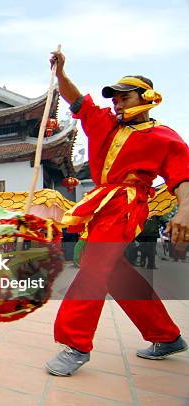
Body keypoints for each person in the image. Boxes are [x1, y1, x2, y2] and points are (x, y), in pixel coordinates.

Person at [45, 50, 189, 377]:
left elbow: (182, 177)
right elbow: (76, 99)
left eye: (126, 97)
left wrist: (186, 210)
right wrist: (61, 73)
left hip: (127, 205)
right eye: (116, 98)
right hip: (100, 203)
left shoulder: (165, 138)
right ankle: (166, 336)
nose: (118, 103)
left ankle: (77, 345)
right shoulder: (104, 123)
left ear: (148, 98)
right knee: (115, 274)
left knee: (94, 265)